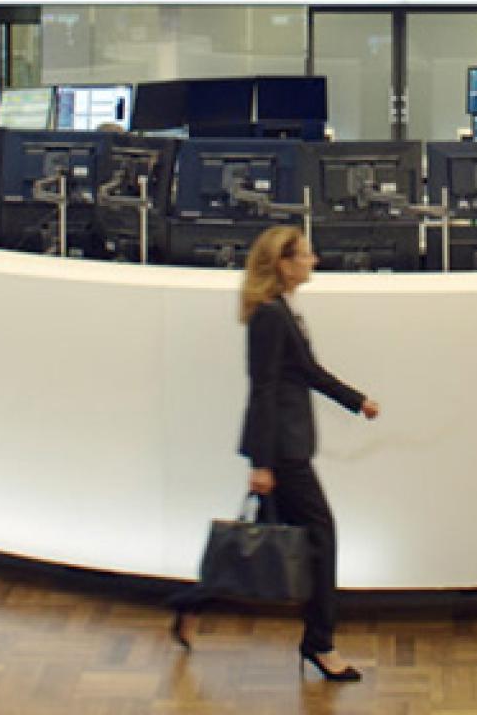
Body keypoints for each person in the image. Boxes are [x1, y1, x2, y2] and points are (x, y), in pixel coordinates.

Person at [172, 225, 380, 681]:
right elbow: (263, 388)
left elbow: (305, 371)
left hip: (286, 447)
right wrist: (261, 463)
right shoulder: (270, 315)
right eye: (305, 254)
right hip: (282, 452)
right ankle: (320, 645)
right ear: (282, 263)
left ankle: (192, 603)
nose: (314, 261)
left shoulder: (282, 310)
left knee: (265, 540)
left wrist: (356, 401)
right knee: (320, 539)